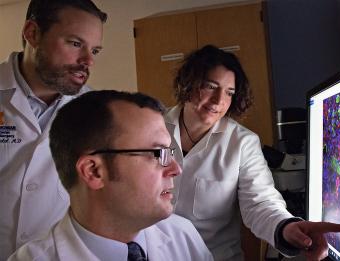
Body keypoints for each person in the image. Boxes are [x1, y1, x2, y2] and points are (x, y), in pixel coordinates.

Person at [165, 45, 340, 260]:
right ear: (188, 83)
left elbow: (260, 203)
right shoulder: (152, 128)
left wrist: (286, 228)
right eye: (210, 86)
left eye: (229, 93)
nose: (218, 101)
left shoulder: (242, 142)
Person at [8, 90, 213, 261]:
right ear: (94, 171)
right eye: (158, 153)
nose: (176, 169)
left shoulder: (183, 237)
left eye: (170, 152)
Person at [0, 0, 107, 259]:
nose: (87, 61)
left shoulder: (93, 110)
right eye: (75, 43)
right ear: (32, 33)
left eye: (95, 50)